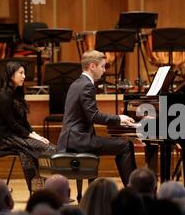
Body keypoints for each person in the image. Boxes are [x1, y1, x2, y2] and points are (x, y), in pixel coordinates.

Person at [57, 50, 137, 187]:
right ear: (92, 66)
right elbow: (93, 116)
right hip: (79, 140)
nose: (104, 71)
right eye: (103, 66)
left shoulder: (75, 83)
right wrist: (119, 119)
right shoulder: (87, 85)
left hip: (69, 139)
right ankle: (134, 190)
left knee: (122, 144)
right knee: (125, 146)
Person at [0, 61, 56, 193]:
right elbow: (12, 124)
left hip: (18, 136)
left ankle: (40, 192)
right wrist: (32, 136)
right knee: (48, 149)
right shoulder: (3, 95)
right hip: (7, 138)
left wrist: (37, 135)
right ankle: (46, 191)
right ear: (10, 75)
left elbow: (24, 122)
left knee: (33, 152)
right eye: (21, 73)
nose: (24, 76)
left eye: (24, 73)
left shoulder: (17, 93)